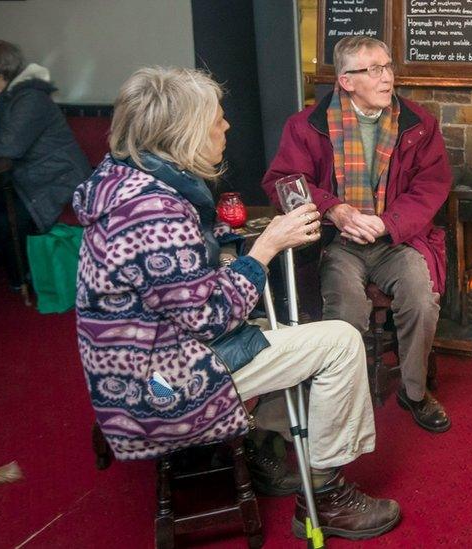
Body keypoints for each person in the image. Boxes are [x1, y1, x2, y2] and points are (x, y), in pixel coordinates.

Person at [73, 67, 400, 540]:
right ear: (185, 131)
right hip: (161, 384)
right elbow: (208, 317)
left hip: (133, 366)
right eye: (218, 120)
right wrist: (266, 246)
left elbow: (168, 276)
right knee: (341, 342)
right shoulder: (154, 212)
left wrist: (224, 242)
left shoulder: (127, 181)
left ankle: (258, 445)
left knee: (273, 320)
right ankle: (325, 497)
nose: (226, 128)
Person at [262, 36, 453, 433]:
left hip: (397, 240)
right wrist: (334, 208)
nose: (387, 78)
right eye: (374, 70)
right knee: (345, 312)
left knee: (421, 296)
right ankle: (342, 397)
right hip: (337, 243)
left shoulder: (419, 124)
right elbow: (283, 182)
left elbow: (431, 187)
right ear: (346, 81)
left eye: (388, 66)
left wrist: (389, 223)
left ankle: (414, 392)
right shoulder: (306, 126)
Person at [0, 40, 88, 287]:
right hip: (22, 181)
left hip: (57, 182)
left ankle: (24, 275)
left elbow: (9, 146)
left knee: (4, 218)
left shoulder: (32, 99)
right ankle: (20, 266)